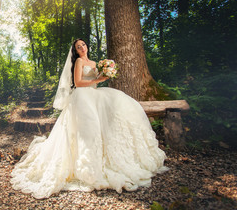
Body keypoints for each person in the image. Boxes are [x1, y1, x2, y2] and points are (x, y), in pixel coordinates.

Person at [10, 38, 168, 199]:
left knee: (119, 101)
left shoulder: (94, 62)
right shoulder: (79, 61)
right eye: (79, 47)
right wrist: (98, 79)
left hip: (93, 94)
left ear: (87, 46)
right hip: (82, 96)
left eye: (83, 45)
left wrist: (105, 75)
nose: (82, 48)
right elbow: (78, 82)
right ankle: (87, 167)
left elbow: (94, 84)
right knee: (88, 129)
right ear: (76, 51)